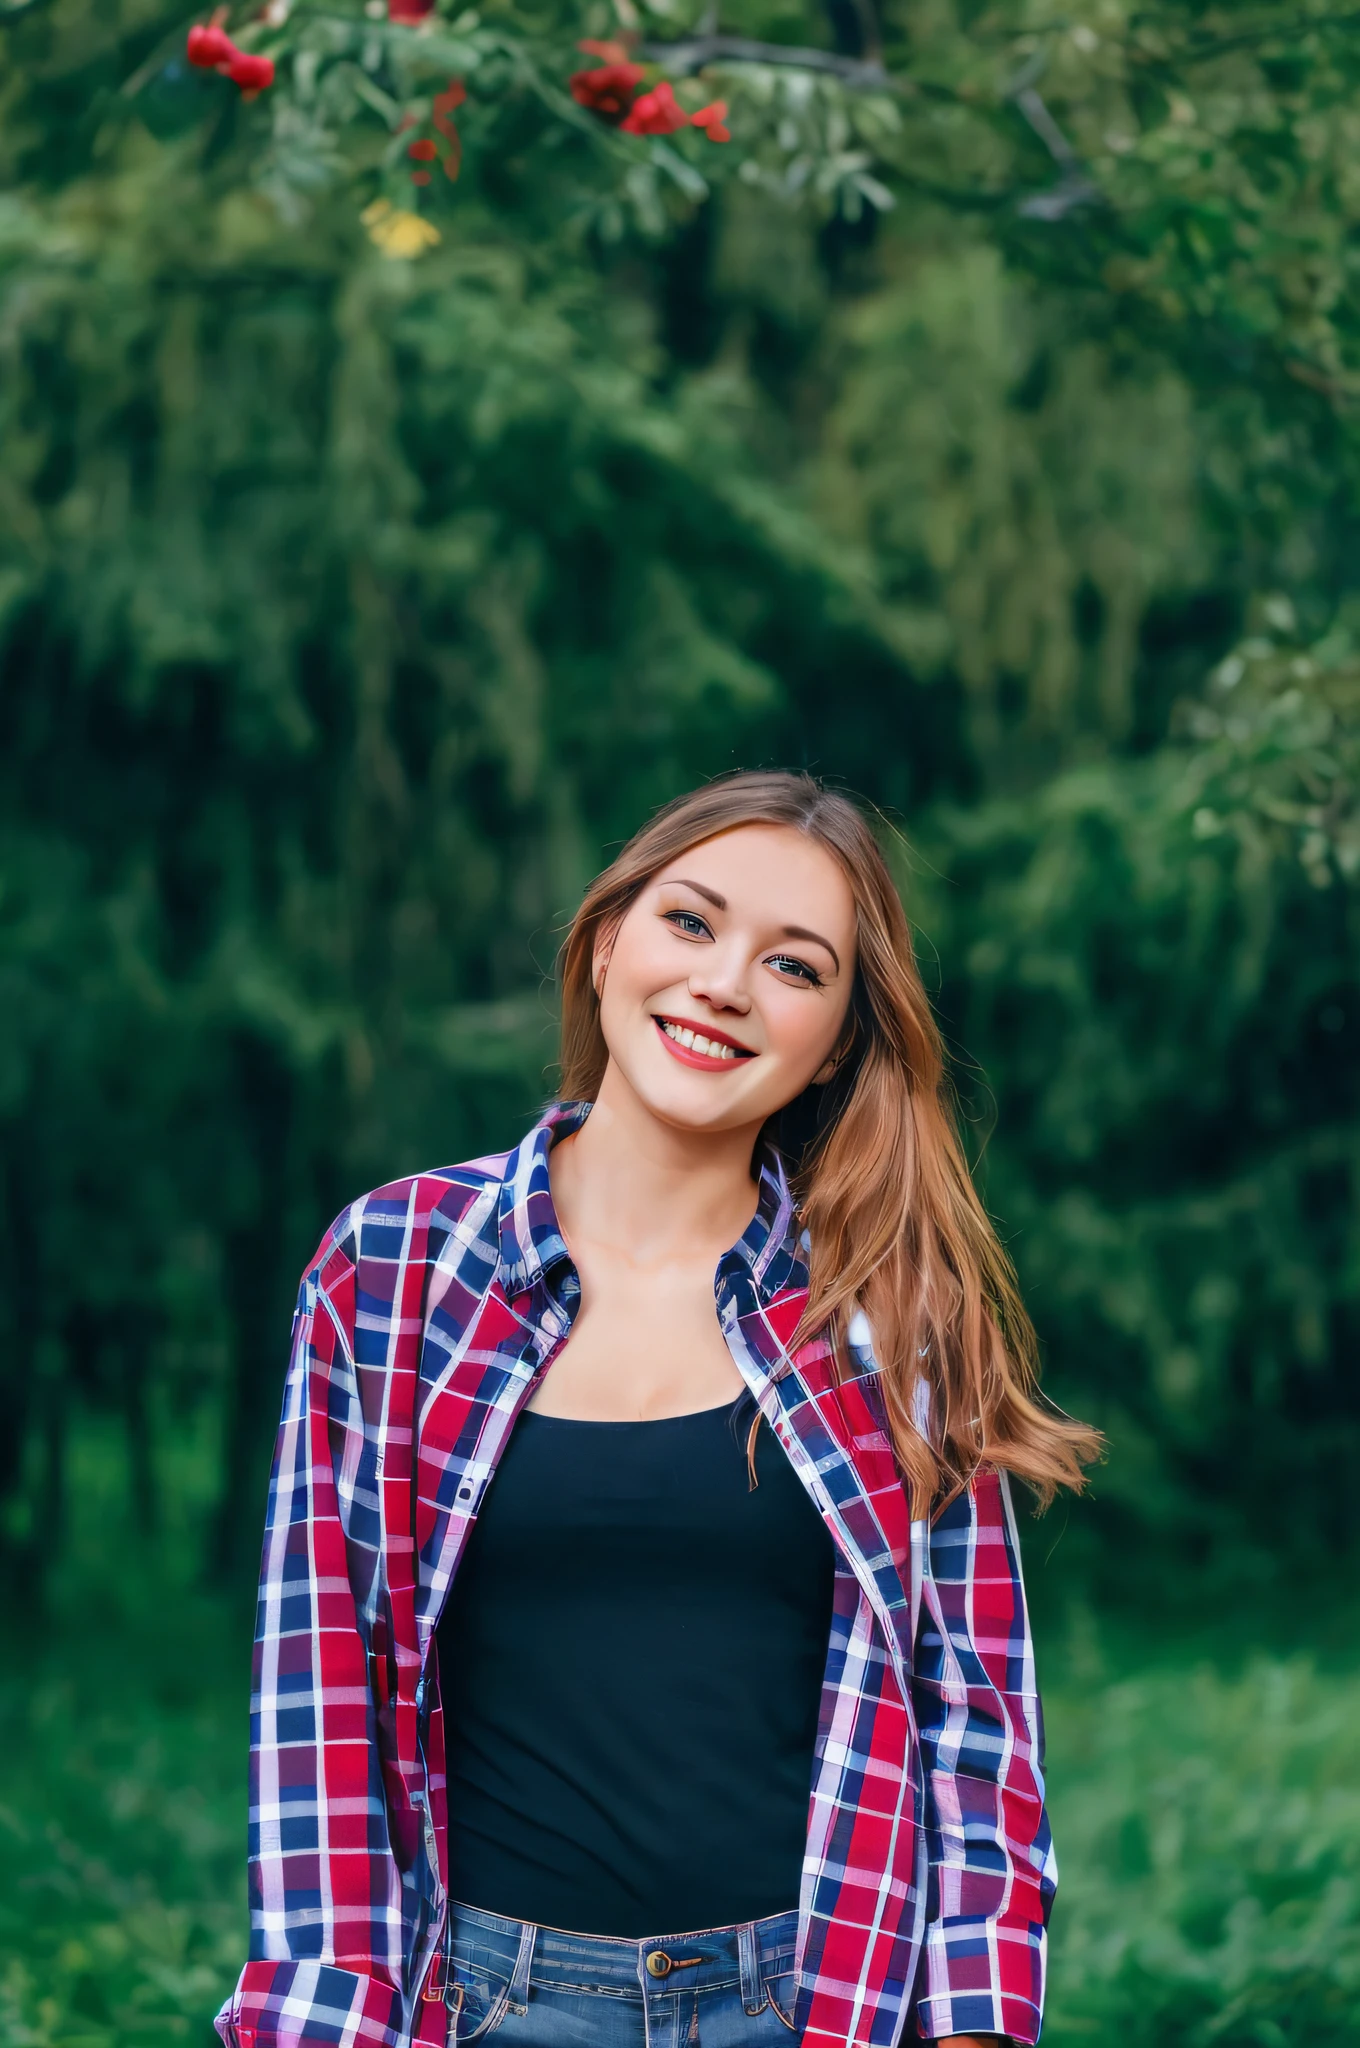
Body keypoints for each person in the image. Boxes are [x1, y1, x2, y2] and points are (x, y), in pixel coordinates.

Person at [215, 771, 1100, 2048]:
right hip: (476, 2006)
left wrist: (968, 2027)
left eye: (794, 966)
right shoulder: (393, 1269)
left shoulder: (889, 1313)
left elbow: (975, 1724)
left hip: (811, 2004)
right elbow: (322, 1704)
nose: (726, 982)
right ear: (605, 937)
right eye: (690, 922)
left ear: (840, 1035)